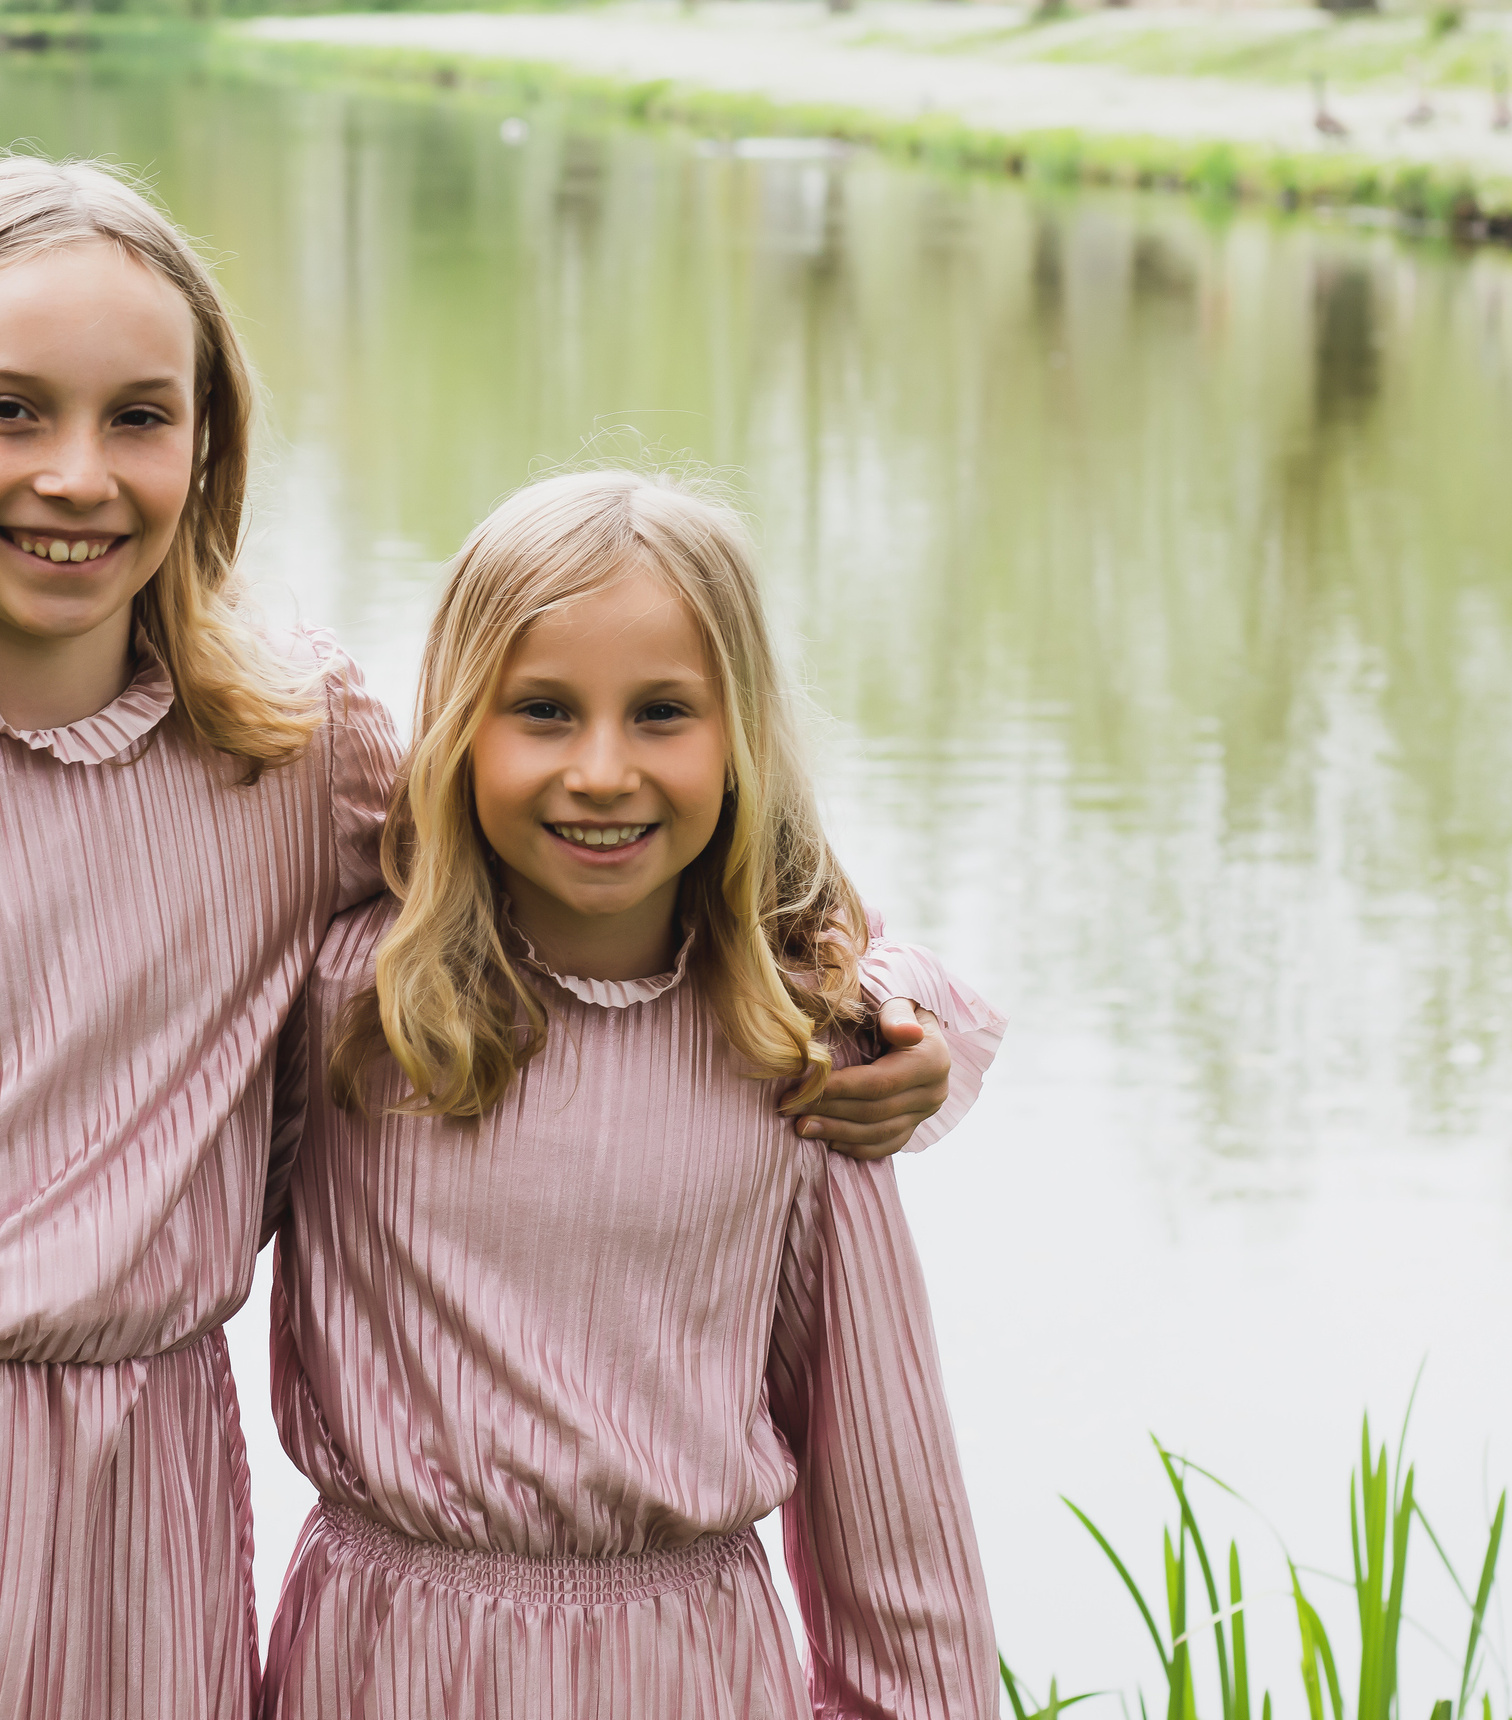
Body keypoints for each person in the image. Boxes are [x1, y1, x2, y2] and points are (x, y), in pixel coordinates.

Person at [0, 158, 959, 1720]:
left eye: (139, 416)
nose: (78, 476)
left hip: (153, 1533)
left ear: (207, 439)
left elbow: (629, 879)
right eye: (9, 411)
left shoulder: (289, 752)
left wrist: (897, 1009)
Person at [261, 468, 1004, 1720]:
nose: (601, 771)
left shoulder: (795, 1054)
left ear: (740, 736)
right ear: (457, 729)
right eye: (542, 711)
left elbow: (888, 1493)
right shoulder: (352, 1012)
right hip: (383, 1662)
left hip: (687, 1669)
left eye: (662, 713)